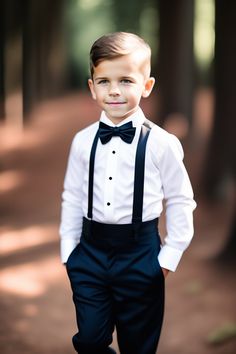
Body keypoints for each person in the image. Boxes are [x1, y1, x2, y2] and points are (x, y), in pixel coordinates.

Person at [59, 32, 196, 354]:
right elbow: (72, 195)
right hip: (89, 252)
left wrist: (167, 258)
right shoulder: (82, 140)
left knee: (139, 346)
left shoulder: (163, 143)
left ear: (146, 86)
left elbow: (180, 199)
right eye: (104, 81)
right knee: (90, 340)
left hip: (141, 253)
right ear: (92, 87)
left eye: (126, 80)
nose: (115, 91)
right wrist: (69, 251)